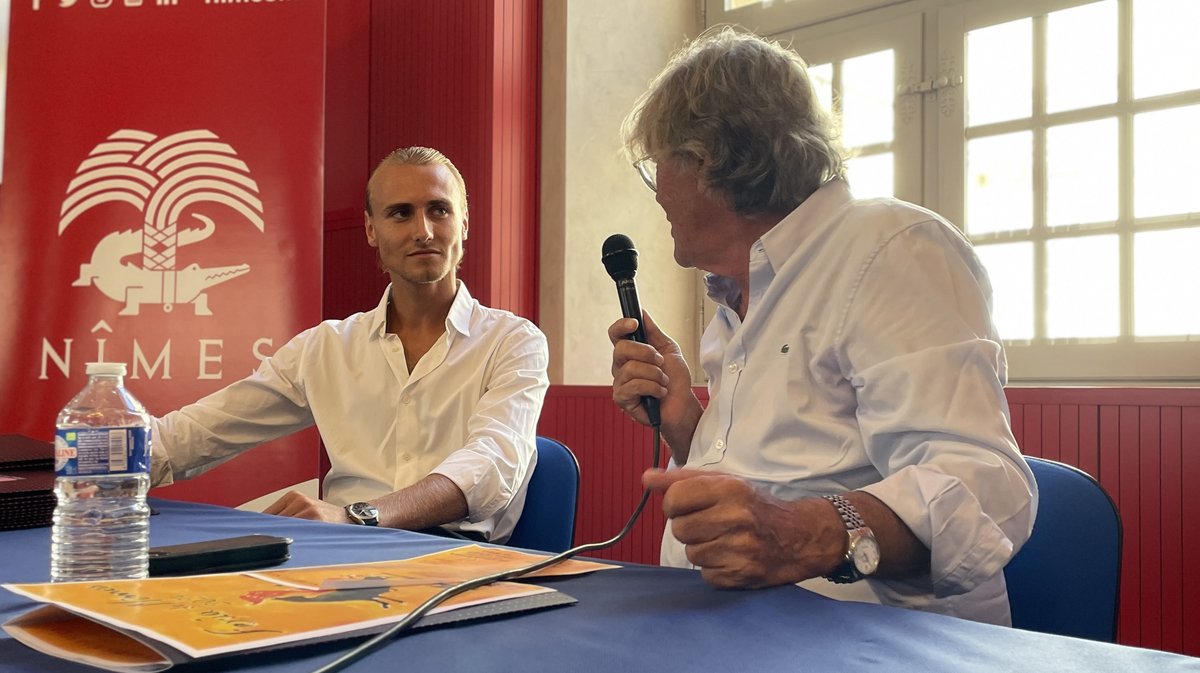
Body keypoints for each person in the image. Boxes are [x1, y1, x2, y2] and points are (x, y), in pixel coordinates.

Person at [608, 28, 1037, 625]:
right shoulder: (736, 292)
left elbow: (984, 487)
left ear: (705, 160)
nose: (658, 196)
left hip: (879, 643)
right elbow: (776, 475)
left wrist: (804, 533)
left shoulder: (889, 248)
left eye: (659, 169)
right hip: (729, 632)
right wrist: (685, 425)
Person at [152, 146, 549, 542]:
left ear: (464, 223)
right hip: (342, 551)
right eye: (400, 213)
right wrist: (98, 451)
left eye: (439, 210)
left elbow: (491, 466)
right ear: (371, 230)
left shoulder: (513, 341)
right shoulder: (325, 347)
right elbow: (194, 435)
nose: (423, 231)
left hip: (457, 558)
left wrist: (357, 515)